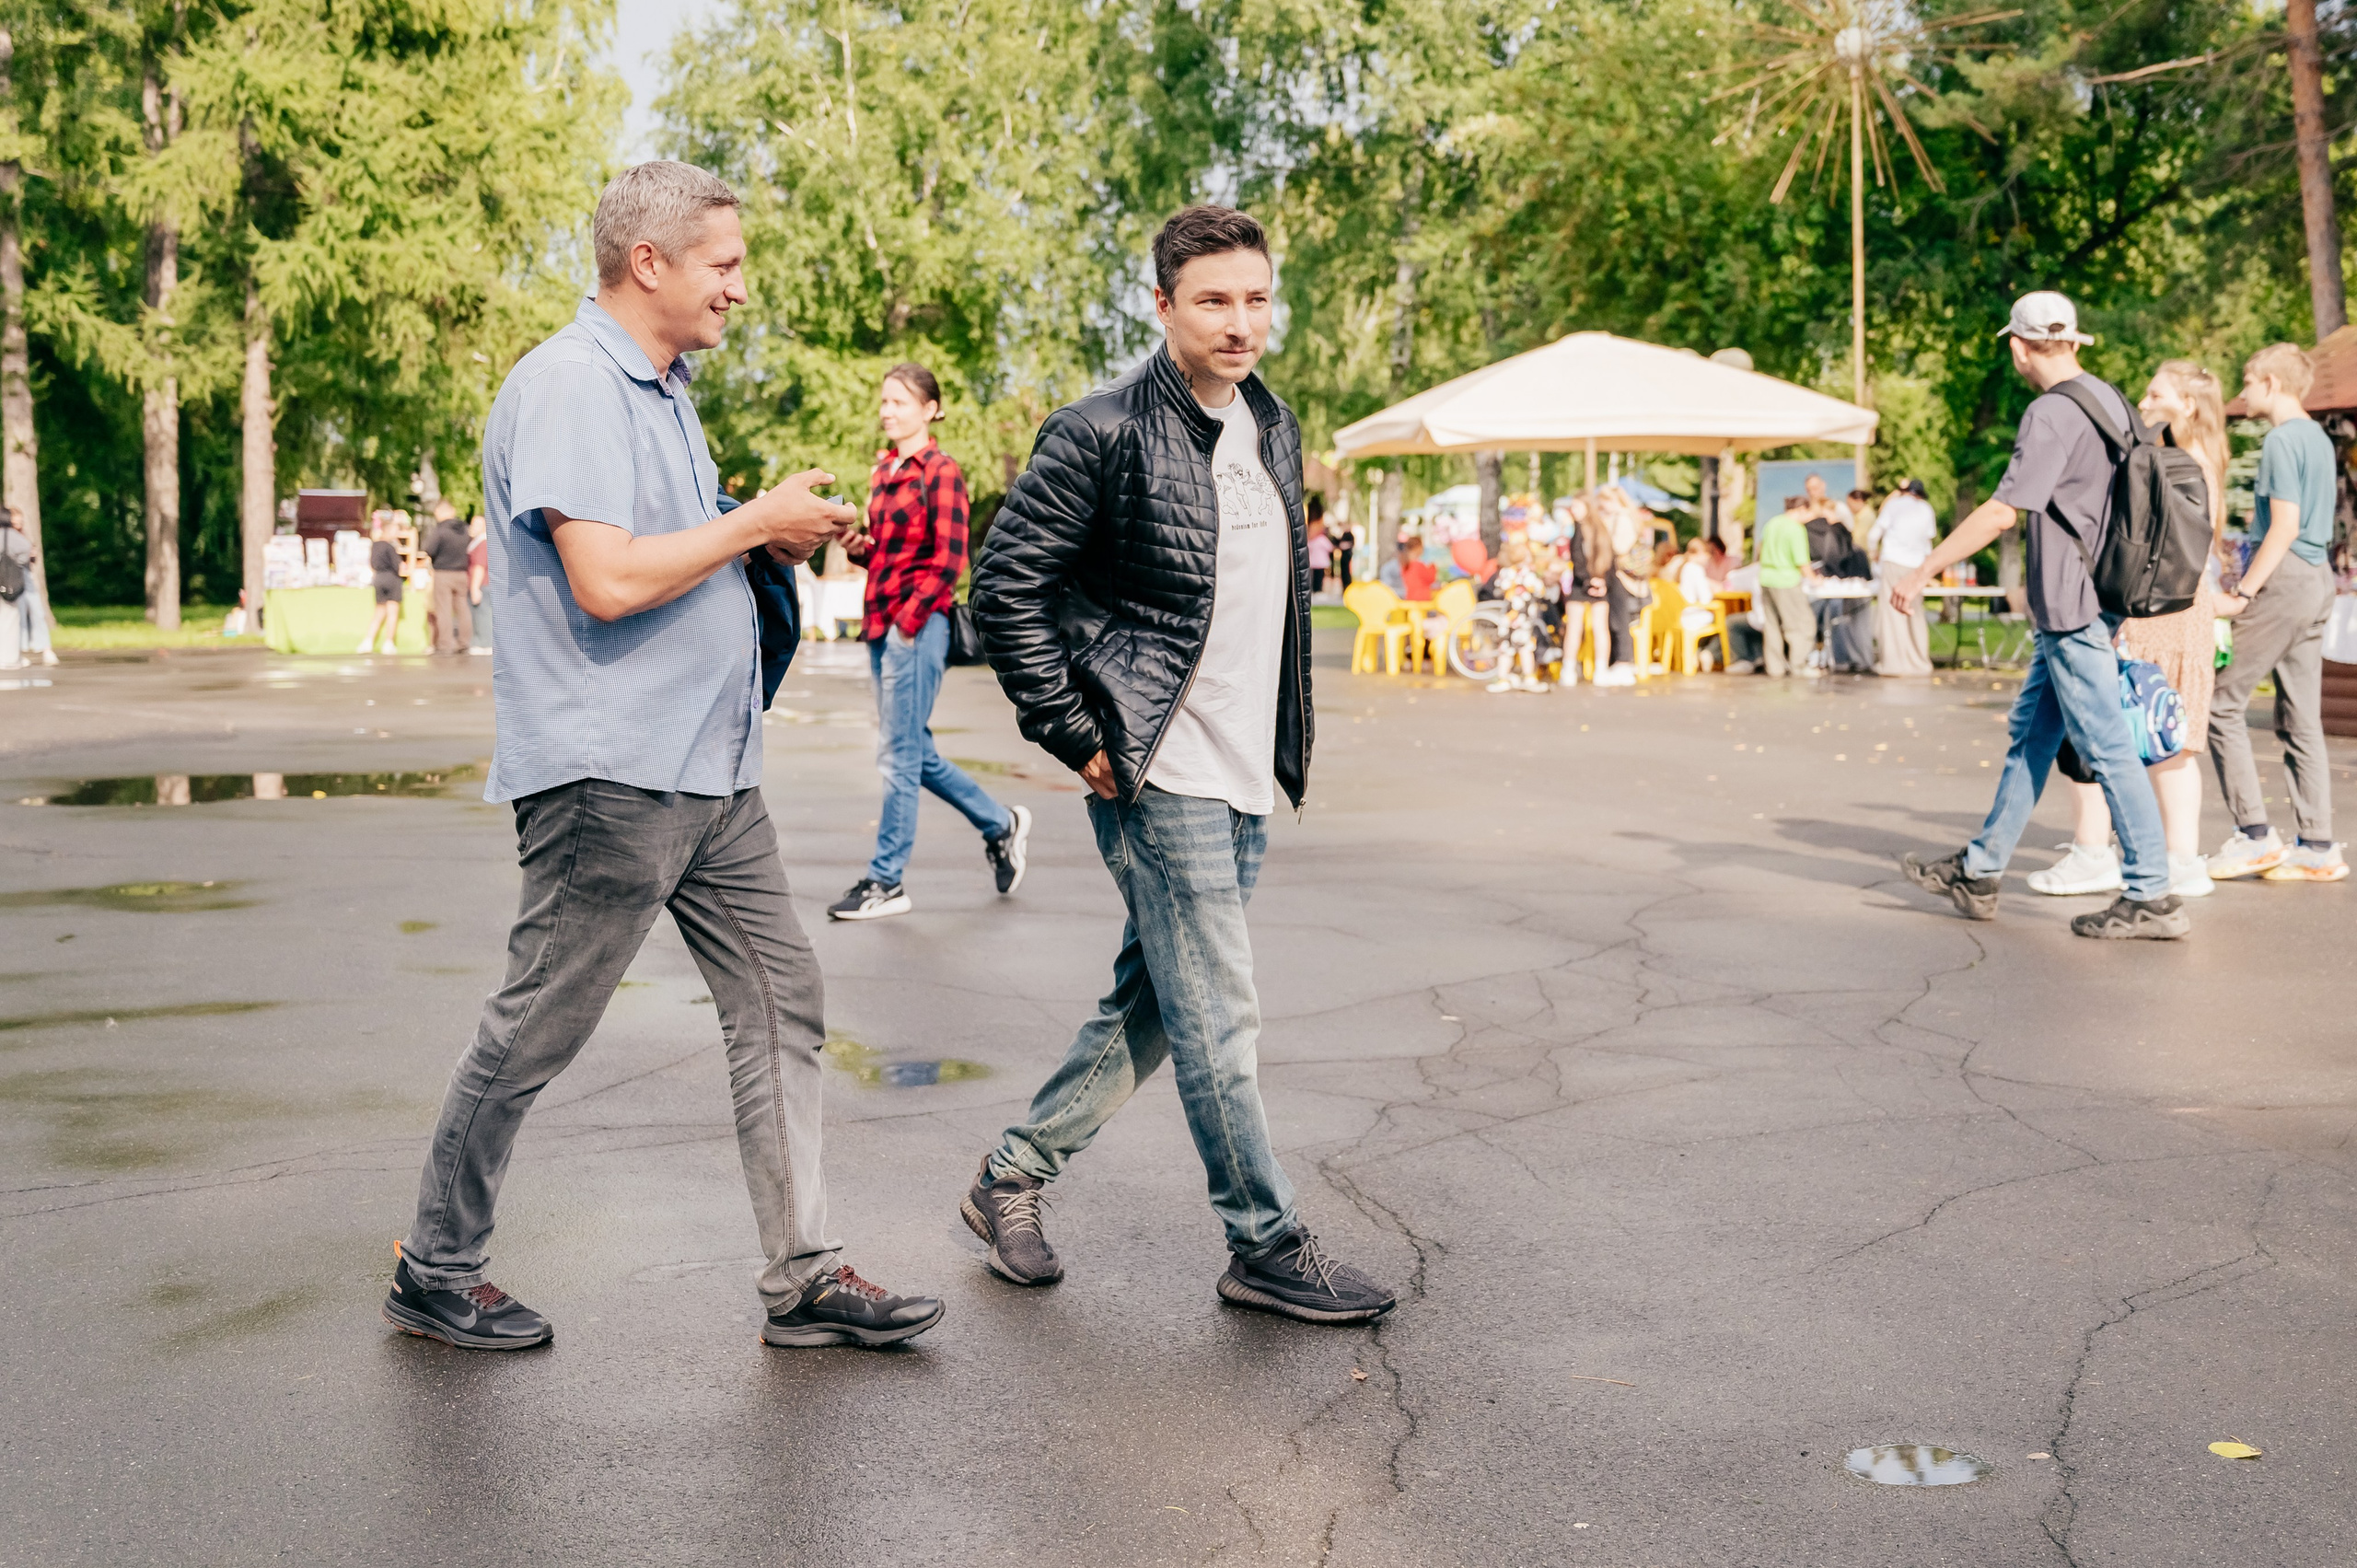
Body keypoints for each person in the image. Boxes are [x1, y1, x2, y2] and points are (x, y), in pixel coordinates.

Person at [385, 160, 942, 1353]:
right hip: (610, 772)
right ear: (652, 263)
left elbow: (674, 557)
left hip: (710, 770)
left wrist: (768, 547)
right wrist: (754, 522)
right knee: (540, 1021)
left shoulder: (664, 389)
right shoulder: (571, 385)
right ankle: (435, 1263)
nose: (740, 290)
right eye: (725, 265)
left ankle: (802, 1271)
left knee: (781, 997)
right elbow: (609, 579)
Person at [961, 203, 1396, 1324]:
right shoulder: (1098, 430)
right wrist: (1078, 735)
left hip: (1245, 766)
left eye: (1256, 297)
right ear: (1160, 306)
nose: (1240, 321)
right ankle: (1264, 1239)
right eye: (1213, 300)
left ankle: (1013, 1171)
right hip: (1158, 769)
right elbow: (1003, 592)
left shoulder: (1273, 424)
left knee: (1157, 1002)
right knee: (1221, 1017)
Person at [1894, 289, 2187, 940]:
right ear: (2074, 341)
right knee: (2033, 734)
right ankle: (1981, 869)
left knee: (2108, 748)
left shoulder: (2050, 414)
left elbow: (2004, 508)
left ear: (2021, 347)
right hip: (2103, 594)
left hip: (2070, 601)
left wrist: (1921, 571)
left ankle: (2152, 894)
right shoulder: (2110, 398)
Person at [829, 361, 1030, 921]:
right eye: (884, 402)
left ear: (929, 409)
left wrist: (909, 622)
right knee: (912, 752)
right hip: (881, 621)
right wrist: (853, 543)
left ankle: (886, 881)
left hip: (915, 626)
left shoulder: (939, 471)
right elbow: (887, 556)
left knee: (898, 755)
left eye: (899, 401)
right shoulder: (883, 471)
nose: (887, 411)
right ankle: (1000, 823)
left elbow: (948, 560)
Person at [2034, 361, 2230, 900]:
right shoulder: (2202, 462)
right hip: (2183, 608)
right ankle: (2178, 859)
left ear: (2187, 405)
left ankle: (2095, 852)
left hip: (2152, 610)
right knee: (2170, 737)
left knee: (2107, 729)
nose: (2142, 400)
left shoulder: (2167, 462)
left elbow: (2141, 542)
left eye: (2155, 392)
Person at [2203, 343, 2345, 882]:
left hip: (2285, 579)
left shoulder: (2283, 440)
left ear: (2270, 382)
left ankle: (2255, 837)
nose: (2242, 391)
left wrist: (2243, 593)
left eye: (2247, 380)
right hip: (2317, 581)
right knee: (2301, 717)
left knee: (2221, 700)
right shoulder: (2318, 437)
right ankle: (2317, 847)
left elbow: (2283, 526)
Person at [1869, 478, 1937, 676]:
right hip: (1916, 565)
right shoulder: (1926, 509)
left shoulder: (1893, 505)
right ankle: (1918, 662)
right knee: (1914, 612)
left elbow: (1874, 534)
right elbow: (1927, 543)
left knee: (1891, 613)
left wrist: (1873, 552)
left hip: (1893, 560)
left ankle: (1892, 664)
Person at [1756, 495, 1817, 678]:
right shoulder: (1795, 529)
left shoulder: (1772, 523)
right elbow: (1801, 561)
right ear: (1801, 509)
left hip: (1766, 578)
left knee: (1772, 625)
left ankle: (1774, 667)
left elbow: (1760, 549)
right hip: (1786, 580)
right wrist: (1815, 579)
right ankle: (1798, 665)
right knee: (1802, 625)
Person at [1487, 538, 1553, 693]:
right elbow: (1540, 590)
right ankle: (1529, 676)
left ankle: (1502, 677)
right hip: (1523, 619)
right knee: (1525, 649)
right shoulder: (1528, 575)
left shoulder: (1505, 573)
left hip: (1508, 619)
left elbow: (1499, 588)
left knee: (1506, 649)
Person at [0, 508, 54, 669]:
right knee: (15, 617)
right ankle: (14, 655)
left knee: (19, 616)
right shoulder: (15, 537)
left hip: (10, 579)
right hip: (16, 579)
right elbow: (27, 553)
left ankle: (18, 652)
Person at [421, 499, 473, 655]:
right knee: (463, 608)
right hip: (462, 573)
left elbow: (429, 549)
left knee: (443, 609)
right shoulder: (465, 530)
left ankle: (445, 643)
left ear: (442, 512)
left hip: (443, 573)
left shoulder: (441, 530)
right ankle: (464, 642)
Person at [360, 516, 403, 655]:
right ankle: (389, 643)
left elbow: (372, 564)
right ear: (388, 531)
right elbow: (399, 567)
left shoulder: (375, 545)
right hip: (392, 579)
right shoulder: (390, 547)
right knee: (392, 612)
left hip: (378, 578)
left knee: (379, 611)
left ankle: (368, 641)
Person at [466, 515, 493, 655]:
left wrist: (475, 588)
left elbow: (479, 566)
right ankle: (479, 642)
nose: (472, 528)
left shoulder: (482, 543)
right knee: (478, 614)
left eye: (476, 525)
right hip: (481, 584)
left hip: (482, 584)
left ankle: (485, 643)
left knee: (482, 615)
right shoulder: (477, 542)